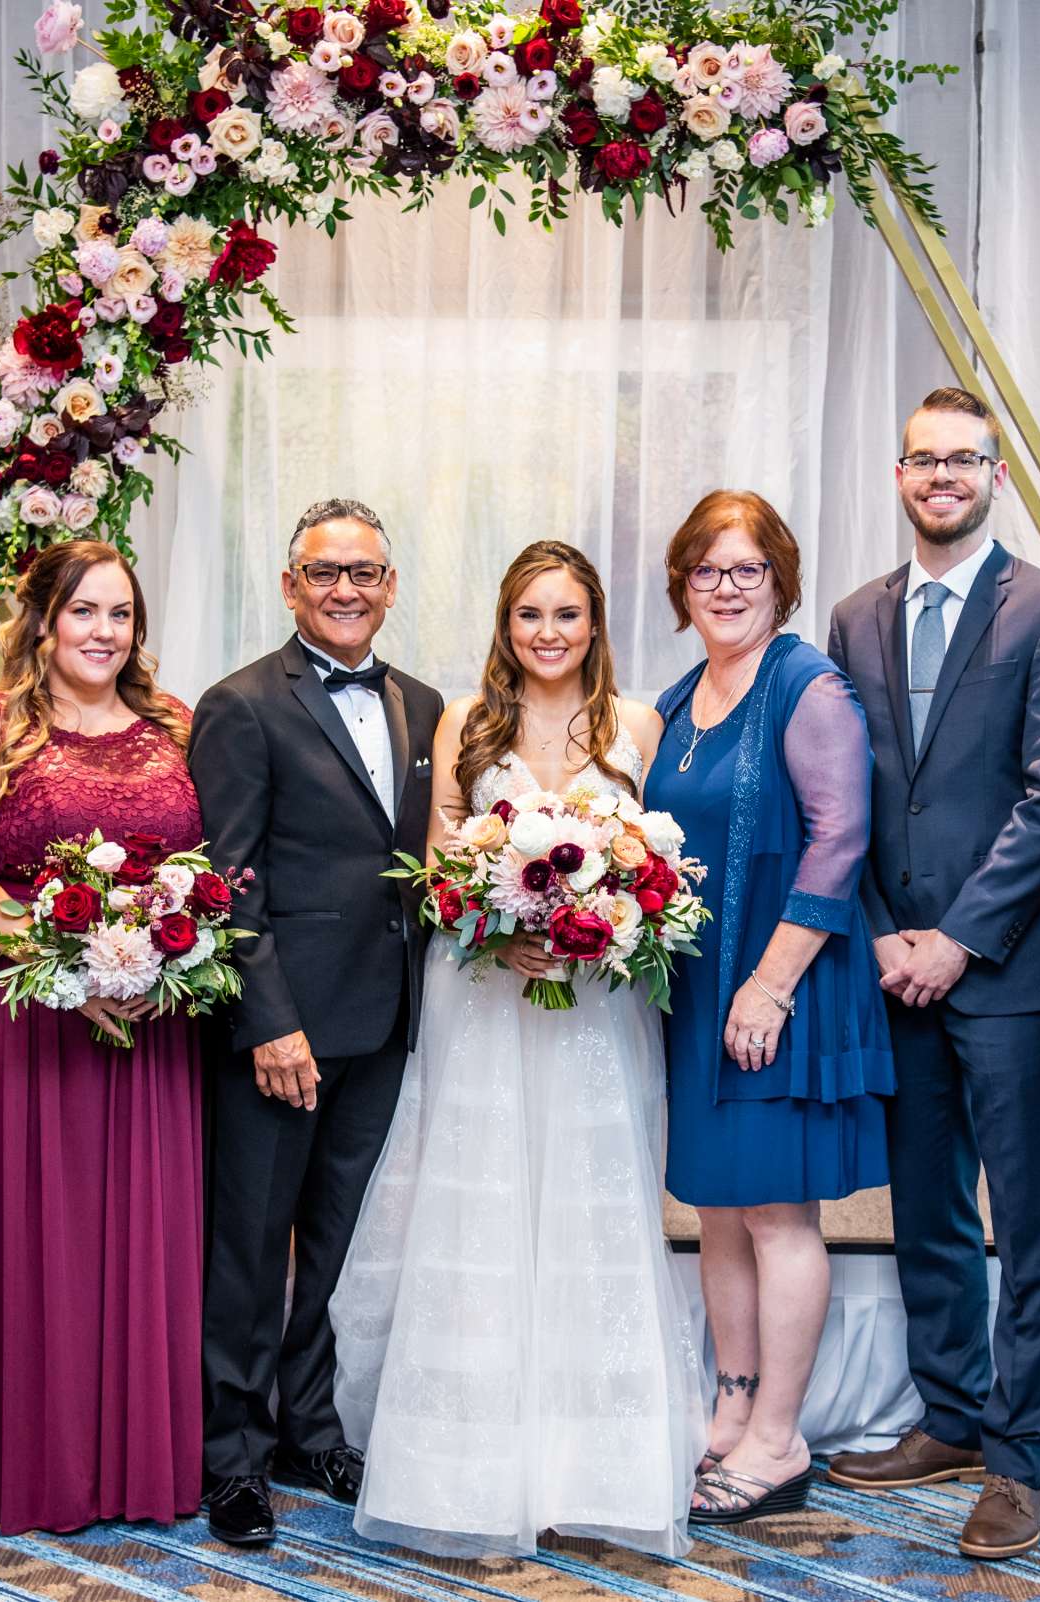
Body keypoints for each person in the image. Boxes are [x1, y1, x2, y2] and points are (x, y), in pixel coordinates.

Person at [329, 541, 704, 1558]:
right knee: (480, 1186)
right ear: (506, 625)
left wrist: (605, 913)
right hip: (485, 990)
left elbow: (654, 861)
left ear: (595, 625)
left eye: (569, 615)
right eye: (531, 614)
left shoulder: (636, 724)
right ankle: (464, 1460)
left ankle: (593, 1460)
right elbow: (441, 858)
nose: (549, 633)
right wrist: (501, 917)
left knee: (590, 1187)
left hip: (593, 1003)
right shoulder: (465, 721)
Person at [822, 388, 1040, 1561]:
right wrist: (886, 929)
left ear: (994, 476)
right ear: (898, 474)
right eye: (922, 459)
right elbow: (845, 794)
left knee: (1028, 1217)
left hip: (1007, 969)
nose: (942, 476)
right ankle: (946, 1413)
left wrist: (959, 938)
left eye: (963, 460)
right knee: (926, 1205)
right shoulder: (854, 616)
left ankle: (1019, 1454)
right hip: (893, 966)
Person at [0, 539, 207, 1534]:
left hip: (155, 1022)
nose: (102, 632)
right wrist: (66, 966)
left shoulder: (175, 725)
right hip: (28, 1019)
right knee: (41, 1238)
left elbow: (205, 868)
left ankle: (138, 1467)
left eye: (120, 614)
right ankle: (41, 1465)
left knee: (147, 1240)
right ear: (42, 621)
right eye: (83, 611)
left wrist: (169, 962)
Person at [188, 499, 445, 1546]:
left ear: (390, 586)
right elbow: (227, 879)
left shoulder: (425, 705)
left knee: (334, 1246)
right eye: (326, 573)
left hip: (385, 1021)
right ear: (290, 586)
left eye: (367, 573)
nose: (348, 590)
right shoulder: (241, 704)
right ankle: (233, 1459)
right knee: (251, 1250)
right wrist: (269, 1024)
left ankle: (307, 1426)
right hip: (283, 1031)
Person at [645, 490, 894, 1526]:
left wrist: (771, 982)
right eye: (708, 570)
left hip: (779, 984)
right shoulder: (675, 696)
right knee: (717, 1212)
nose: (728, 587)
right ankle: (734, 1405)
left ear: (781, 580)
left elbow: (841, 837)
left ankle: (781, 1438)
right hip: (701, 989)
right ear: (682, 585)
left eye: (748, 569)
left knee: (778, 1214)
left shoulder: (809, 687)